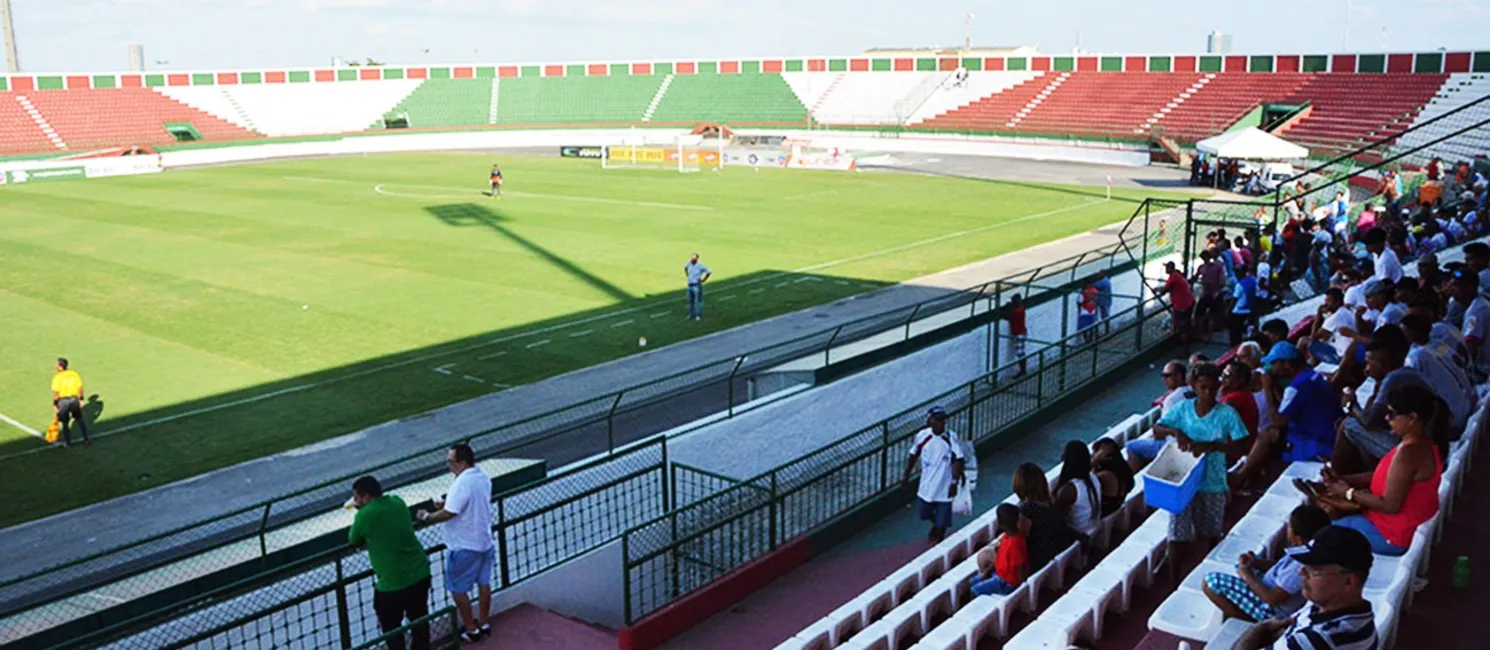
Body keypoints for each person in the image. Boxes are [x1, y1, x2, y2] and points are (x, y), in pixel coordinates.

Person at [1305, 385, 1444, 556]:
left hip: (1392, 535)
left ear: (1412, 418)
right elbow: (1383, 477)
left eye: (1392, 414)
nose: (1387, 418)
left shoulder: (1408, 454)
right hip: (1393, 524)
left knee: (1318, 531)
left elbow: (1390, 505)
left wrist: (1348, 492)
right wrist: (1342, 479)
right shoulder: (1418, 444)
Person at [1153, 362, 1248, 585]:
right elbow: (1158, 429)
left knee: (1210, 532)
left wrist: (1212, 446)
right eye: (1203, 387)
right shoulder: (1183, 409)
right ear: (1194, 386)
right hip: (1183, 480)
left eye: (1213, 388)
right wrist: (1176, 432)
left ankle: (1209, 578)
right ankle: (1174, 582)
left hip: (1212, 481)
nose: (1208, 393)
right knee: (1177, 535)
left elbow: (1241, 447)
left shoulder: (1227, 414)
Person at [1231, 526, 1378, 650]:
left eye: (1314, 569)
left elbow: (1271, 630)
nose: (1301, 572)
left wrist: (1259, 630)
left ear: (1349, 581)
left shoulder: (1318, 640)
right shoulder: (1326, 607)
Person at [416, 444, 493, 642]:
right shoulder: (482, 477)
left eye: (450, 461)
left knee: (458, 589)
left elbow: (450, 513)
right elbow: (465, 505)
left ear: (462, 463)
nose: (448, 465)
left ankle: (471, 628)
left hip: (464, 545)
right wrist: (448, 504)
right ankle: (484, 623)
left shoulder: (461, 483)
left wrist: (427, 516)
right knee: (484, 583)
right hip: (485, 542)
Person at [1234, 343, 1339, 489]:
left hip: (1318, 441)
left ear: (1287, 364)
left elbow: (1278, 420)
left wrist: (1268, 389)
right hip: (1328, 432)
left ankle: (1240, 478)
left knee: (1267, 434)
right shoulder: (1313, 375)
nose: (1272, 368)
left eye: (1274, 363)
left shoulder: (1296, 387)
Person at [1332, 326, 1434, 475]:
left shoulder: (1393, 379)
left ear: (1382, 362)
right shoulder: (1405, 373)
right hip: (1423, 443)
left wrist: (1351, 403)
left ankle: (1333, 479)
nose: (1366, 369)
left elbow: (1369, 421)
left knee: (1348, 426)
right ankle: (1368, 476)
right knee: (1357, 429)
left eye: (1369, 363)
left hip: (1414, 450)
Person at [1202, 505, 1330, 622]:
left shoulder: (1301, 563)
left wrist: (1247, 575)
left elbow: (1272, 598)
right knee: (1240, 564)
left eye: (1289, 526)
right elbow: (1281, 569)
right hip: (1268, 587)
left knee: (1211, 582)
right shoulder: (1306, 550)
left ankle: (1246, 622)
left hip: (1272, 610)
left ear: (1298, 537)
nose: (1287, 529)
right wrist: (1256, 563)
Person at [349, 476, 432, 650]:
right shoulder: (397, 501)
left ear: (366, 497)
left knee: (391, 627)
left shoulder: (364, 514)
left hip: (393, 583)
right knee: (420, 622)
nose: (355, 501)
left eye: (357, 497)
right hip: (419, 572)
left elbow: (354, 539)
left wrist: (359, 512)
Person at [902, 406, 965, 543]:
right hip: (927, 485)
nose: (942, 423)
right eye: (938, 420)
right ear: (930, 421)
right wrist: (906, 475)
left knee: (942, 524)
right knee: (924, 513)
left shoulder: (950, 437)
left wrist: (954, 481)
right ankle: (937, 525)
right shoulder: (922, 436)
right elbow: (913, 455)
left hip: (945, 486)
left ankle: (939, 533)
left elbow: (958, 459)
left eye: (943, 420)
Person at [1011, 462, 1071, 570]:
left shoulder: (1026, 509)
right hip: (1054, 550)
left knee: (986, 555)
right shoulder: (1051, 501)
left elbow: (1019, 539)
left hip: (1038, 559)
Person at [971, 504, 1027, 596]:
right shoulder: (1006, 537)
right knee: (973, 582)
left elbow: (1019, 568)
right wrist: (987, 572)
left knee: (974, 591)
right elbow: (1000, 559)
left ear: (1000, 524)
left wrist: (1019, 589)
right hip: (999, 574)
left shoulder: (1015, 543)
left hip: (1006, 582)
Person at [1053, 440, 1102, 541]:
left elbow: (1058, 519)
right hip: (1093, 527)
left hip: (1079, 534)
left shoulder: (1069, 489)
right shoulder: (1093, 477)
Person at [1447, 268, 1490, 369]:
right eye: (1451, 284)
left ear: (1469, 287)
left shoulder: (1476, 311)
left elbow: (1469, 350)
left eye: (1456, 285)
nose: (1451, 289)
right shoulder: (1479, 302)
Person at [1091, 438, 1135, 517]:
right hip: (1117, 504)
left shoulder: (1105, 475)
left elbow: (1084, 477)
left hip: (1106, 510)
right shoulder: (1122, 467)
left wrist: (1095, 461)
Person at [51, 358, 88, 448]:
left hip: (63, 401)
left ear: (60, 367)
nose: (55, 366)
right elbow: (80, 388)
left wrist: (55, 404)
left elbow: (56, 393)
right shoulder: (74, 374)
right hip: (74, 400)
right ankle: (86, 439)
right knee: (80, 420)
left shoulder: (57, 377)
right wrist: (81, 399)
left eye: (56, 365)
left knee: (65, 423)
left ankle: (69, 444)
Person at [1160, 261, 1197, 351]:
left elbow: (1164, 291)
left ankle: (1185, 348)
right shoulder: (1177, 275)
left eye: (1167, 267)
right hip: (1188, 302)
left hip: (1182, 304)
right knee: (1184, 324)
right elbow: (1169, 288)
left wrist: (1159, 290)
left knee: (1181, 326)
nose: (1166, 269)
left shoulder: (1173, 277)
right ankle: (1186, 343)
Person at [1230, 264, 1258, 347]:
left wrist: (1228, 310)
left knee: (1235, 333)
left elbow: (1234, 299)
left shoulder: (1240, 285)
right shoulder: (1252, 280)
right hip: (1249, 309)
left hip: (1238, 311)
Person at [1005, 294, 1028, 377]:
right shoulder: (1020, 308)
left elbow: (1008, 316)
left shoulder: (1017, 311)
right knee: (1020, 352)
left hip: (1019, 333)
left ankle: (1023, 371)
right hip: (1020, 332)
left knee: (1020, 352)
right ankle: (1023, 370)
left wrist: (1008, 307)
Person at [684, 253, 711, 322]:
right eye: (691, 258)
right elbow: (685, 267)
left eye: (693, 259)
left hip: (697, 286)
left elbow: (709, 272)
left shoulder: (700, 265)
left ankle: (698, 315)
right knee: (690, 301)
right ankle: (690, 314)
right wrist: (687, 275)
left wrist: (703, 280)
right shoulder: (688, 263)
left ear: (696, 259)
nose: (692, 260)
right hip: (690, 285)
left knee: (698, 301)